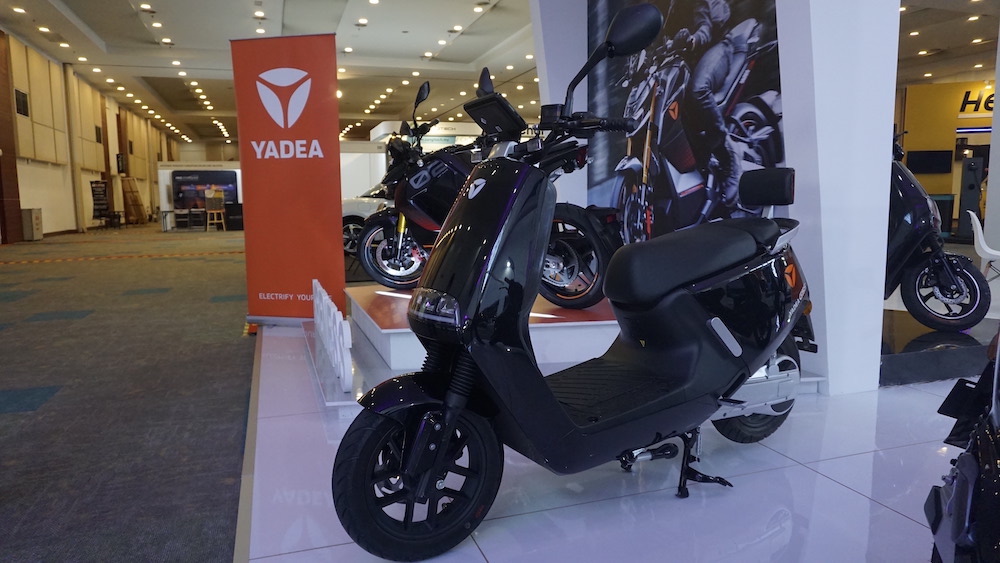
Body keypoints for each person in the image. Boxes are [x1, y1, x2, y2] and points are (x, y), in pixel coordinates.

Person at [664, 0, 742, 206]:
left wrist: (692, 40)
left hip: (718, 46)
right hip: (689, 57)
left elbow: (705, 26)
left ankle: (728, 156)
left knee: (698, 90)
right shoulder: (669, 6)